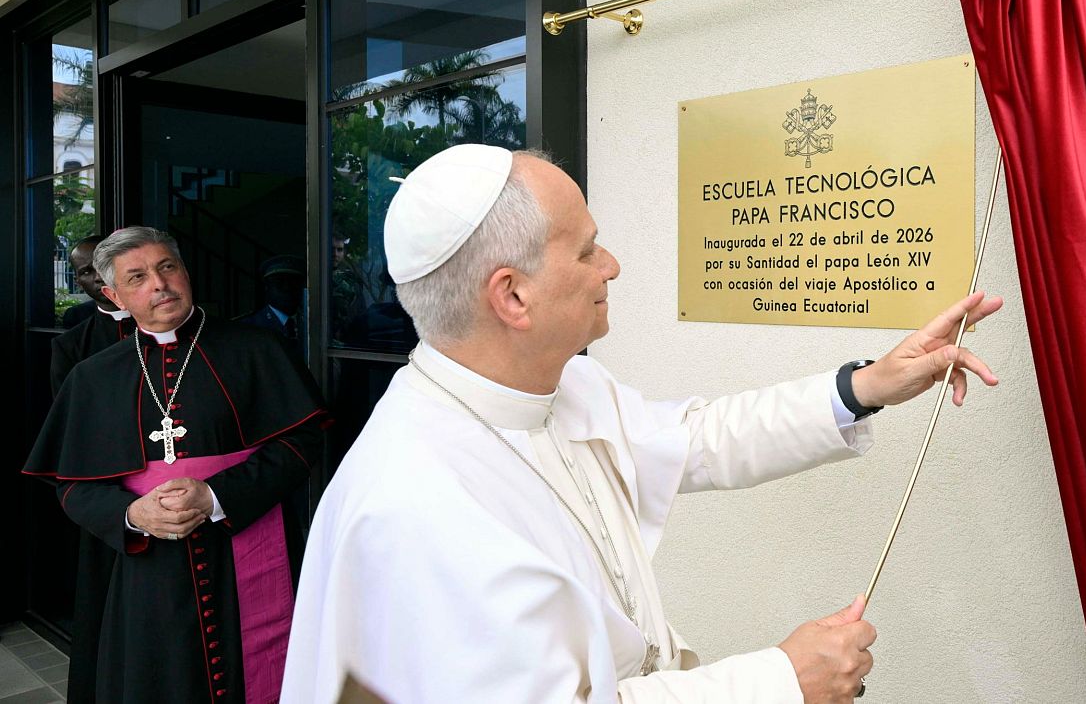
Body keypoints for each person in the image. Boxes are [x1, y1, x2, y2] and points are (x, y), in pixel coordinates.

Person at [282, 145, 1002, 703]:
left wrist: (869, 385)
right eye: (588, 249)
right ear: (513, 296)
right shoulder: (414, 504)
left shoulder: (558, 382)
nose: (613, 266)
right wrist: (781, 681)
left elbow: (696, 438)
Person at [23, 226, 329, 704]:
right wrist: (132, 514)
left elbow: (303, 440)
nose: (159, 284)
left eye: (168, 267)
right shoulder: (93, 376)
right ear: (113, 294)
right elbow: (71, 486)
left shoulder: (255, 349)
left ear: (186, 272)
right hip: (148, 568)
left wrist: (217, 495)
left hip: (249, 546)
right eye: (138, 276)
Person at [45, 233, 137, 701]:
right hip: (111, 492)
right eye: (83, 271)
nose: (96, 280)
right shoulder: (74, 339)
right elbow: (72, 425)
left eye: (103, 267)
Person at [51, 234, 136, 394]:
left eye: (105, 265)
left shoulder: (165, 322)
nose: (99, 277)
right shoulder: (69, 345)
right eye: (87, 271)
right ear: (78, 283)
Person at [236, 254, 307, 341]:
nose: (287, 287)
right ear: (266, 287)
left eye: (294, 282)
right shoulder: (249, 326)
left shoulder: (311, 323)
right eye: (279, 282)